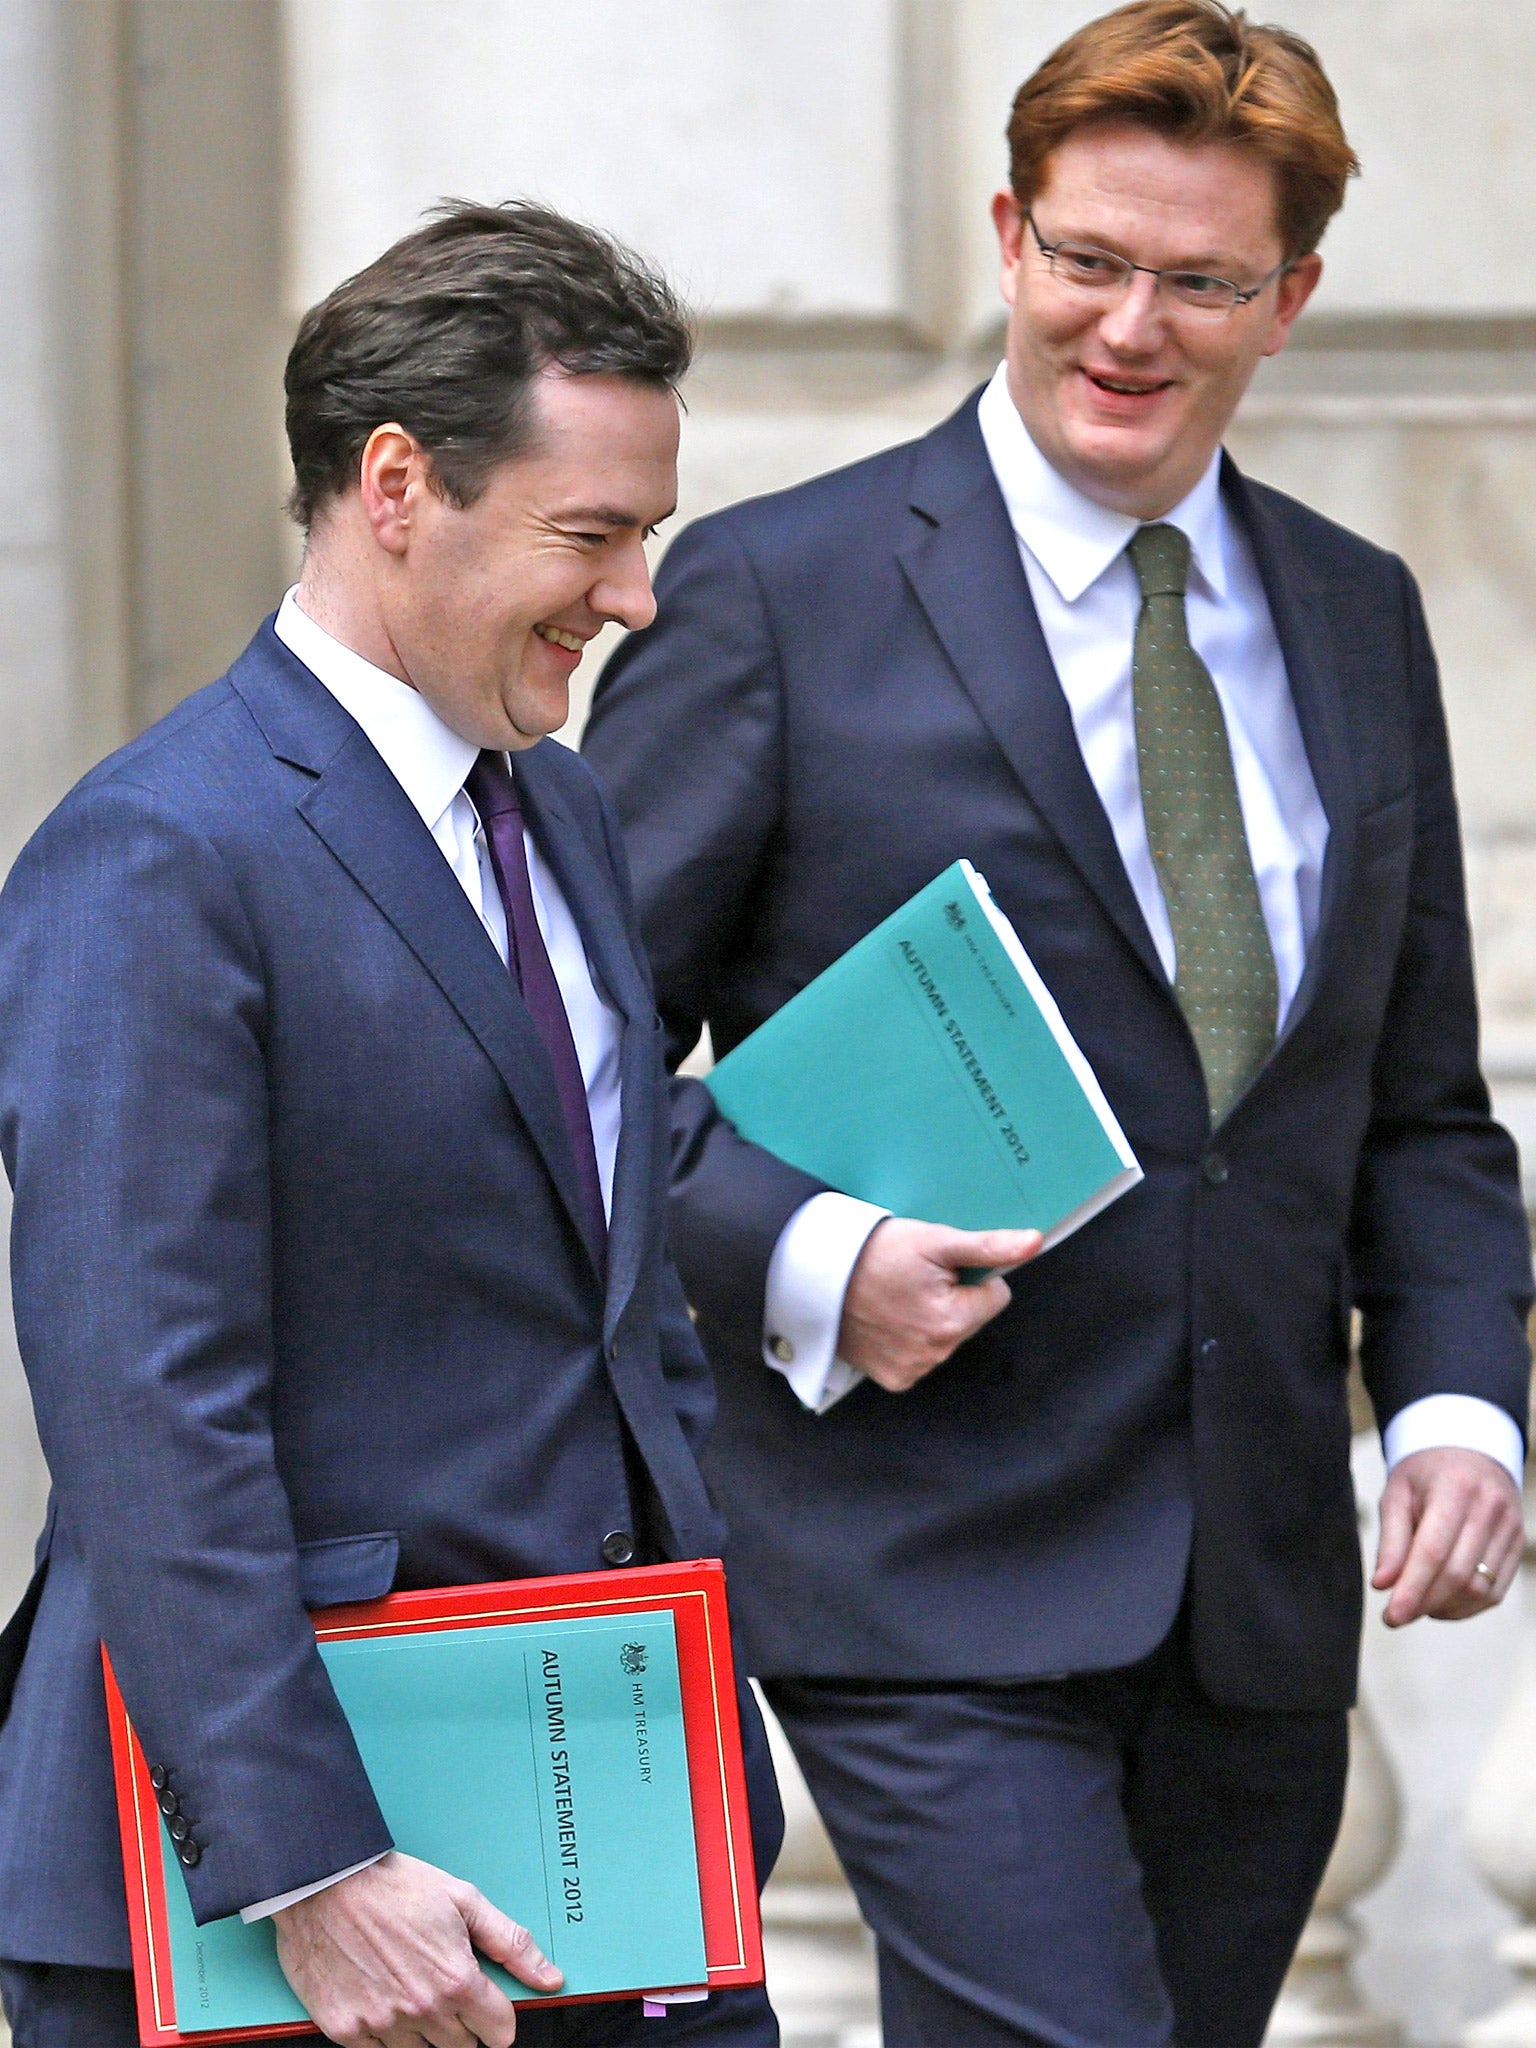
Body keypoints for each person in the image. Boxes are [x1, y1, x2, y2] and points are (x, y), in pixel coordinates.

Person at [581, 6, 1534, 2043]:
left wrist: (1461, 1403)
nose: (1133, 325)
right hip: (921, 1573)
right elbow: (557, 1055)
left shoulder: (1358, 611)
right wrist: (814, 1254)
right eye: (1090, 259)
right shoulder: (771, 595)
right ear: (1007, 238)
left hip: (1261, 1608)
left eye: (1200, 280)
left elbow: (1423, 1106)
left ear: (1290, 300)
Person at [0, 202, 781, 2048]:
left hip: (609, 1842)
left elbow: (620, 1314)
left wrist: (705, 1715)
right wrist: (311, 1866)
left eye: (647, 537)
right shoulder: (158, 856)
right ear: (398, 481)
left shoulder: (567, 814)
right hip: (287, 1904)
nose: (636, 600)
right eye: (590, 537)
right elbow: (142, 1398)